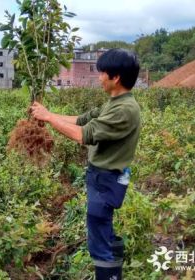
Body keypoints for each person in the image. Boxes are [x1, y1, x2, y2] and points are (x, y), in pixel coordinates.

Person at [31, 48, 141, 280]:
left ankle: (109, 275)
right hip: (101, 177)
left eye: (102, 73)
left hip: (106, 180)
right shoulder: (114, 102)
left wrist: (49, 118)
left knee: (99, 240)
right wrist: (48, 114)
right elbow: (81, 120)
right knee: (102, 232)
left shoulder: (125, 110)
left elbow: (83, 134)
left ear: (116, 77)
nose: (99, 78)